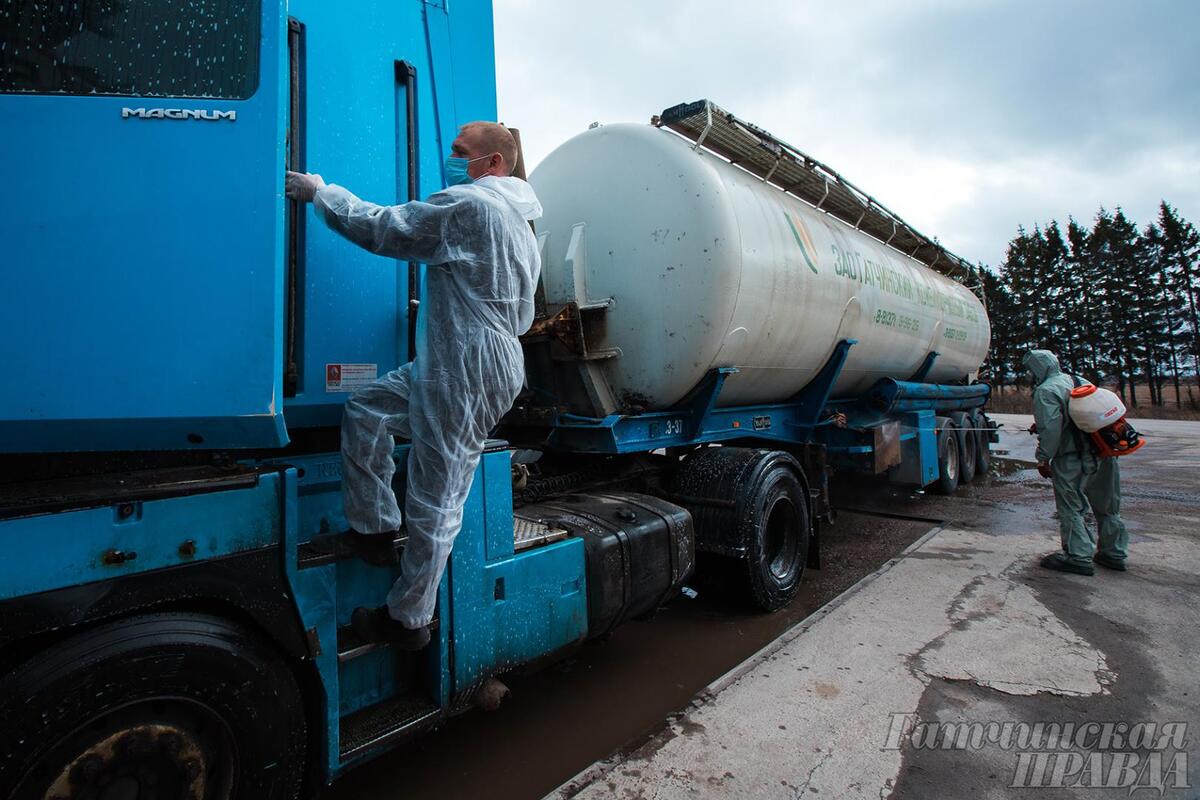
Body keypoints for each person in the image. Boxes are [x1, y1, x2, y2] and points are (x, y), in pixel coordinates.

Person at [286, 121, 542, 649]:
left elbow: (387, 227)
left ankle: (409, 619)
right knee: (367, 411)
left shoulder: (476, 206)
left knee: (438, 490)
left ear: (493, 163)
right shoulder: (520, 223)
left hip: (467, 362)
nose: (451, 158)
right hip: (460, 356)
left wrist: (322, 193)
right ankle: (375, 526)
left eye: (460, 151)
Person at [1022, 349, 1129, 576]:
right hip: (1103, 453)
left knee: (1072, 507)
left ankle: (1078, 556)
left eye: (1031, 371)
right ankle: (1114, 553)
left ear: (1038, 369)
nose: (1030, 376)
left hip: (1072, 459)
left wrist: (1042, 458)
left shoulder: (1045, 391)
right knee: (1108, 506)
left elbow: (1051, 430)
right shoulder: (1079, 380)